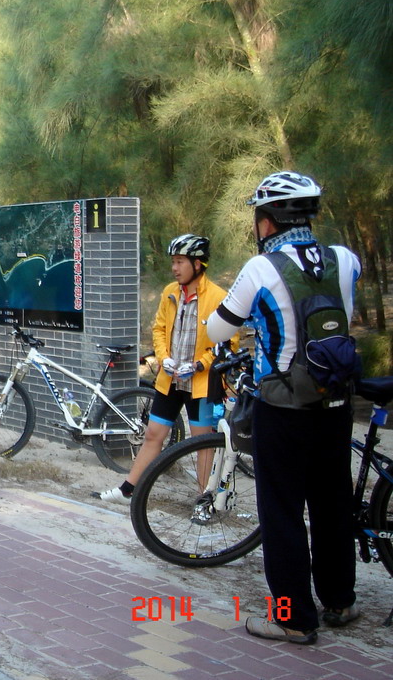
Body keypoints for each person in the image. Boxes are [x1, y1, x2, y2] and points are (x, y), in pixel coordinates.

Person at [206, 171, 361, 645]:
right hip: (335, 401)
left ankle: (293, 619)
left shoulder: (261, 268)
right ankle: (340, 601)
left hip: (282, 407)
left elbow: (217, 329)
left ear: (268, 220)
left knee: (282, 511)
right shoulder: (345, 259)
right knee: (333, 503)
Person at [96, 235, 233, 506]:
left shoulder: (218, 297)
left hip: (201, 383)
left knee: (203, 443)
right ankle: (127, 490)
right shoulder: (171, 292)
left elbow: (228, 342)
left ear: (197, 264)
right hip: (170, 380)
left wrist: (199, 365)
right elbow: (159, 328)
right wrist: (164, 358)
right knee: (153, 434)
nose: (174, 268)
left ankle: (204, 500)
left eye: (180, 262)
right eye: (173, 262)